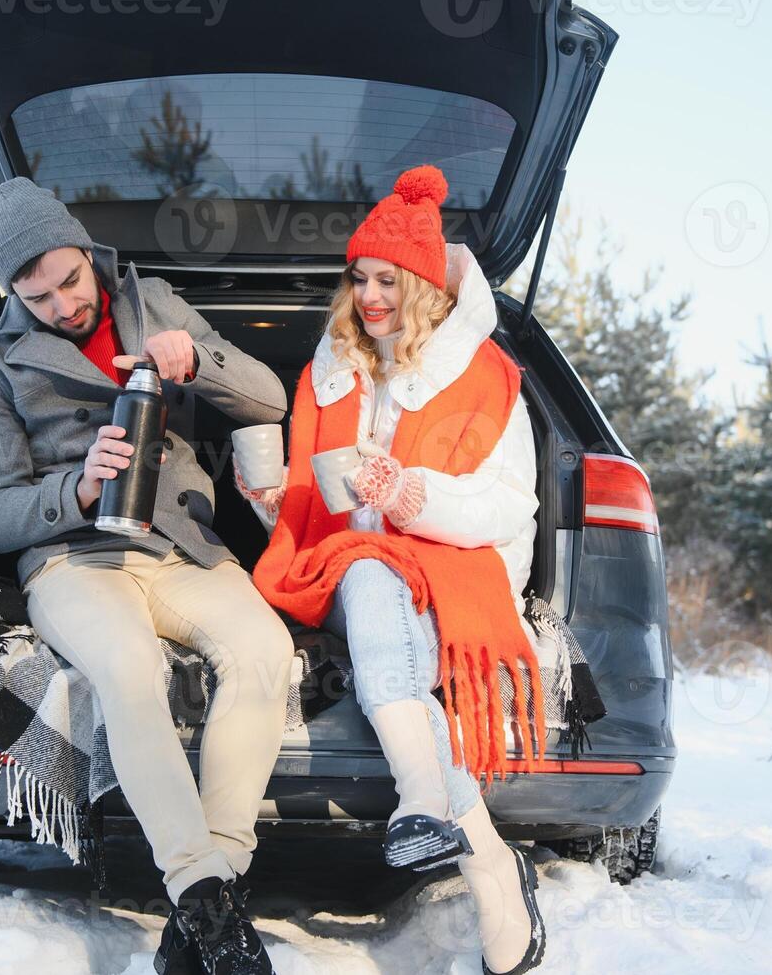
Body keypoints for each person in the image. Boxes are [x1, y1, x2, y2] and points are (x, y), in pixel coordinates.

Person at [0, 176, 292, 975]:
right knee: (129, 667)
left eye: (69, 281)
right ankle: (207, 900)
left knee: (264, 651)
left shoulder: (156, 304)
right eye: (35, 297)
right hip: (74, 561)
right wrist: (74, 489)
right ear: (13, 293)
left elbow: (270, 398)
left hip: (180, 550)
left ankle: (203, 905)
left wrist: (198, 359)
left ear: (86, 252)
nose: (61, 306)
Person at [240, 166, 550, 974]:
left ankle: (455, 833)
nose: (369, 295)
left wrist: (411, 495)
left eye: (388, 280)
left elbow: (509, 504)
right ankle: (469, 843)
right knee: (369, 576)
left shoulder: (486, 378)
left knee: (381, 594)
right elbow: (312, 512)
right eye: (360, 277)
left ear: (424, 288)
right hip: (345, 568)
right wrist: (270, 499)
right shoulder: (327, 370)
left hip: (453, 566)